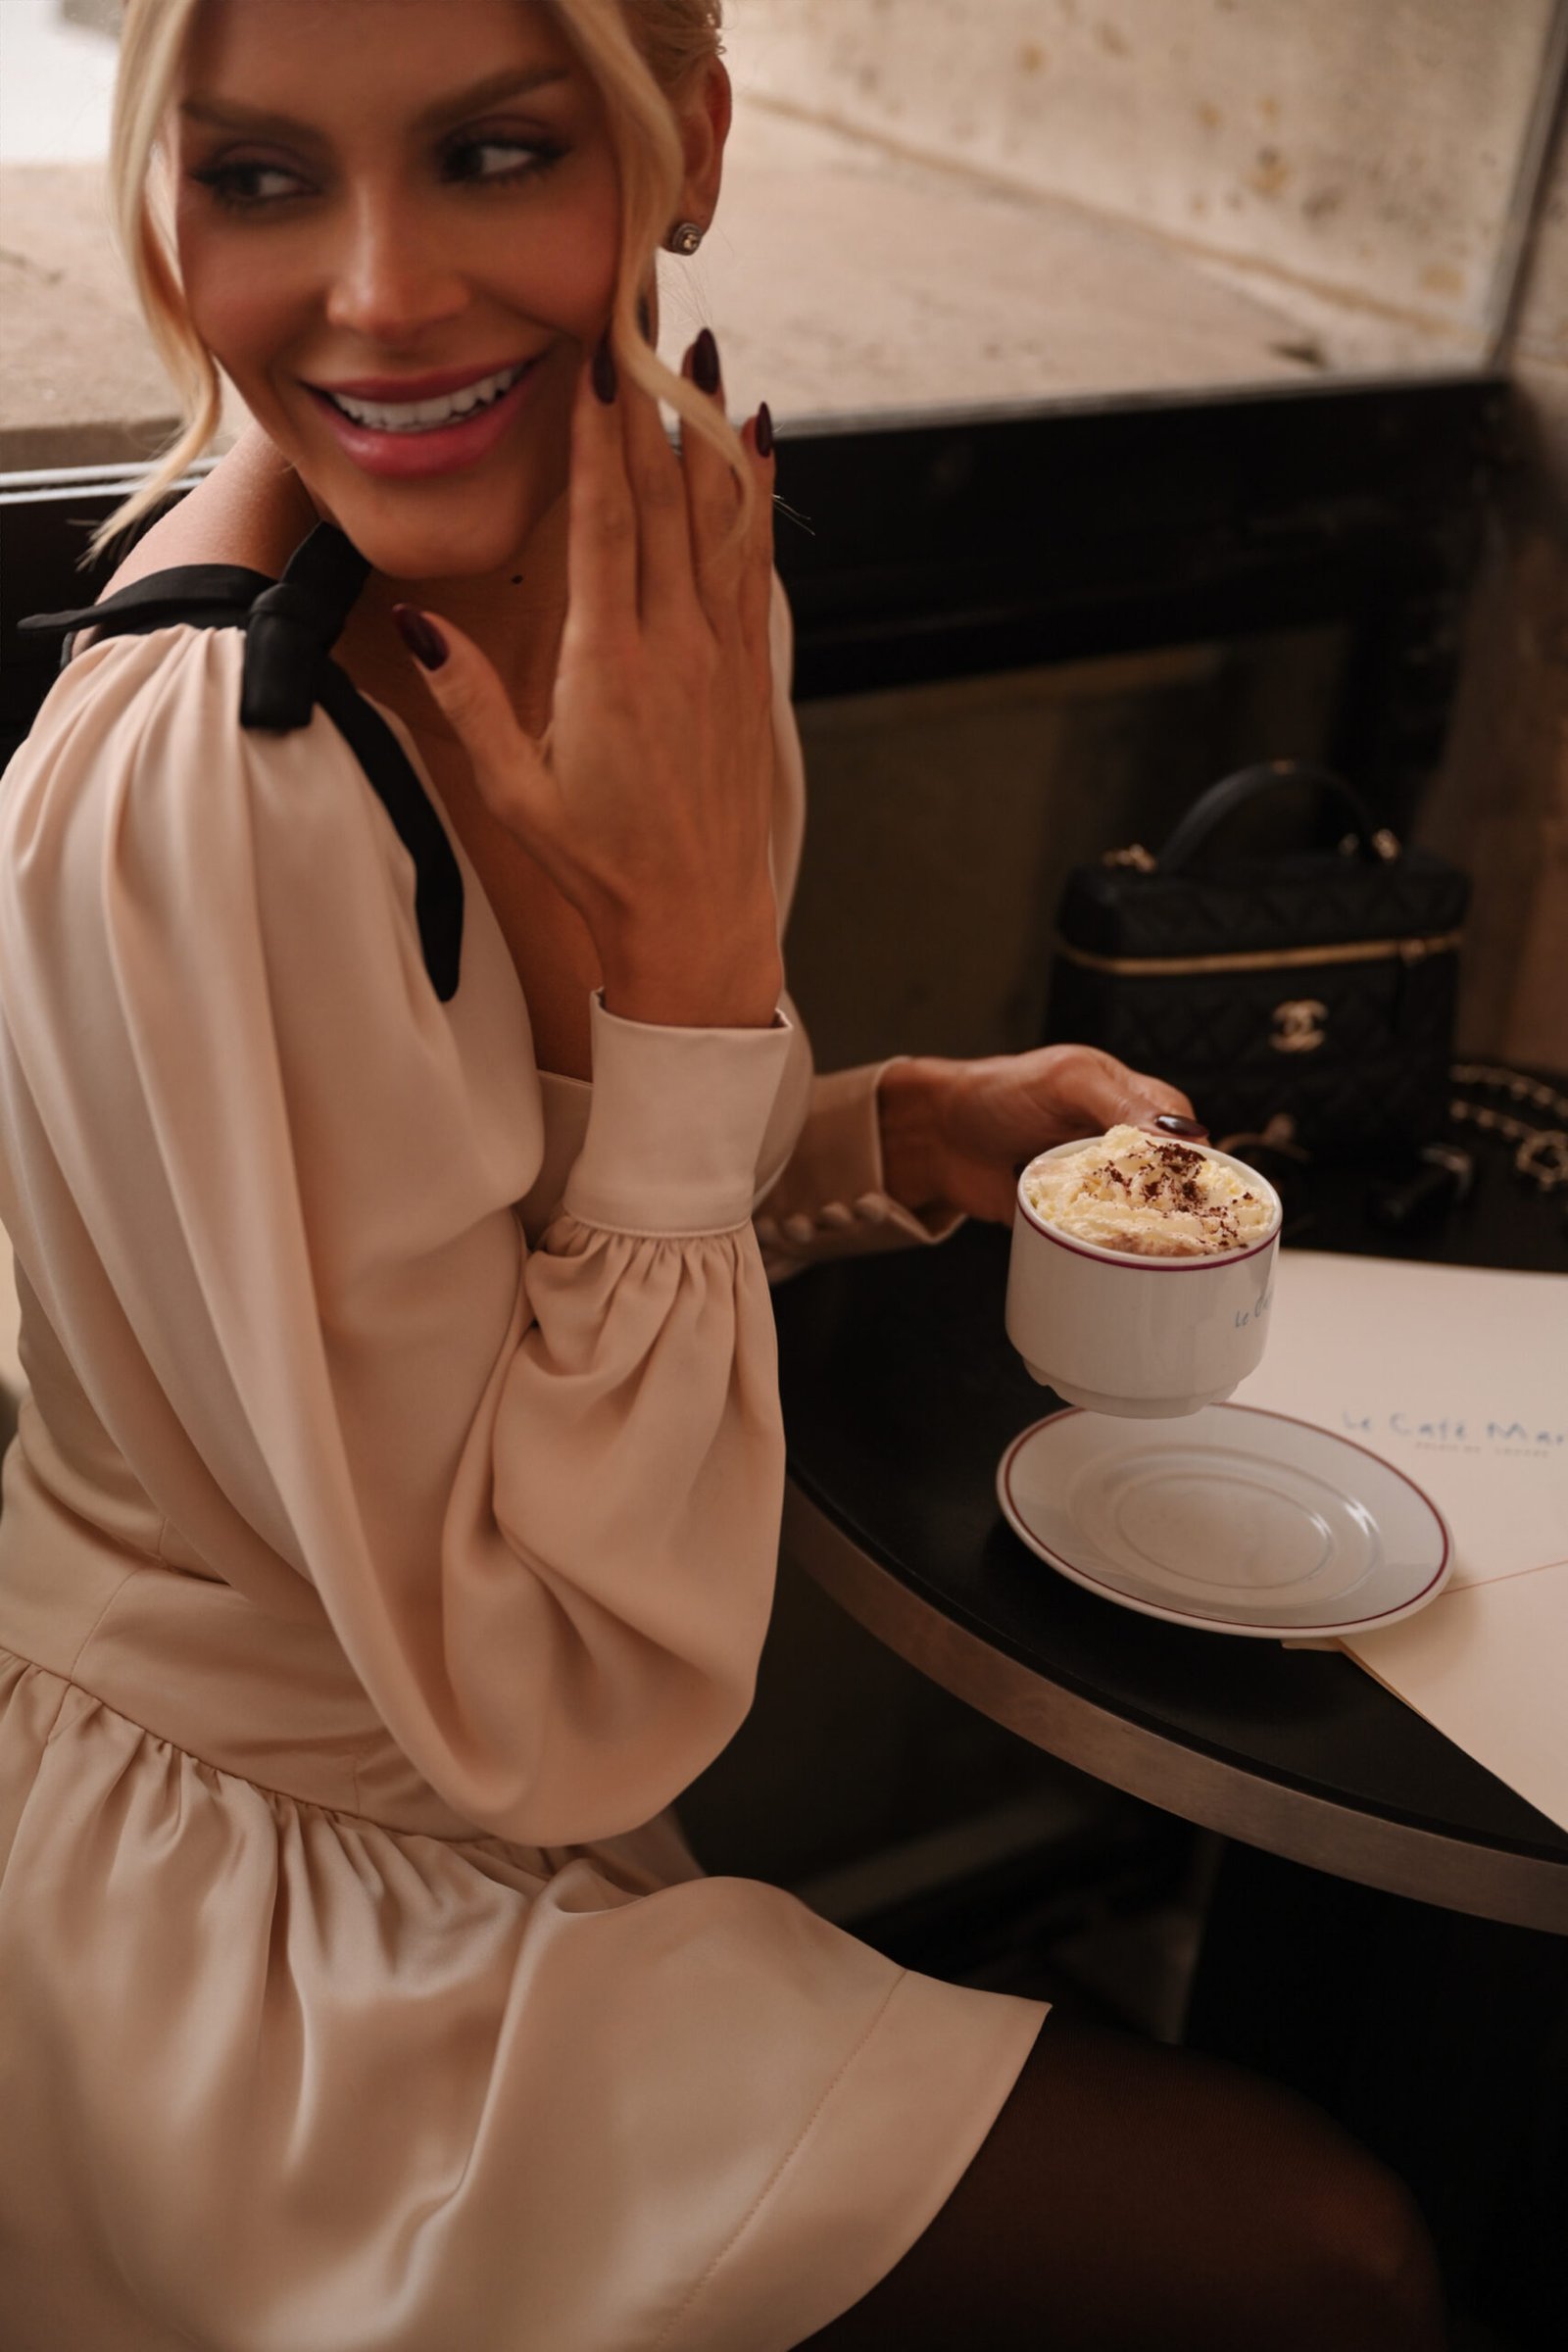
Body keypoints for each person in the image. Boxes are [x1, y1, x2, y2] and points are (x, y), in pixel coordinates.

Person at [0, 3, 1447, 2346]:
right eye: (259, 176)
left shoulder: (657, 558)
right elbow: (558, 1683)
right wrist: (687, 960)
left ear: (688, 135)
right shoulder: (222, 787)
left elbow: (507, 1212)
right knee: (1326, 2257)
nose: (377, 293)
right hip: (248, 1924)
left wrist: (889, 1128)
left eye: (490, 152)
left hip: (477, 1778)